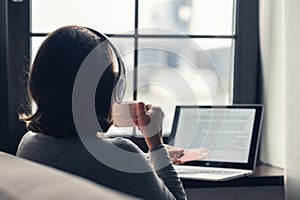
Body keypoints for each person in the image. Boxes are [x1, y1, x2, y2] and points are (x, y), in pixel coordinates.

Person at [17, 25, 186, 200]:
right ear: (106, 91)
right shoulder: (121, 156)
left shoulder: (29, 145)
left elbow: (80, 160)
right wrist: (156, 144)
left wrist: (144, 158)